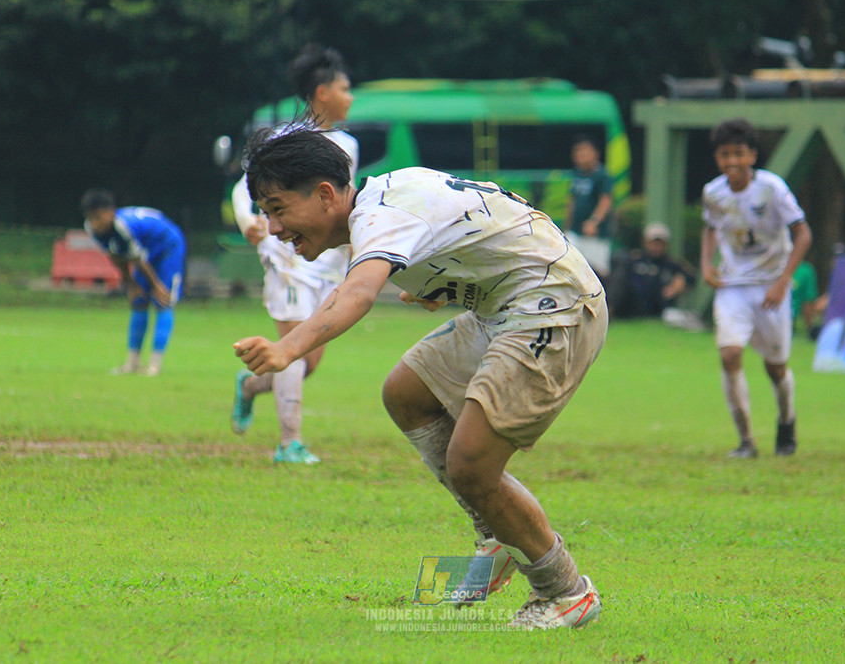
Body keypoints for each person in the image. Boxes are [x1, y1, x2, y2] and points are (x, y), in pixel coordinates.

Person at [233, 124, 606, 630]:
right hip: (505, 304)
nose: (275, 228)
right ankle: (496, 538)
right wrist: (437, 284)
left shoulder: (380, 215)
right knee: (406, 393)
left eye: (278, 209)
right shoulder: (384, 200)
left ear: (325, 194)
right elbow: (479, 227)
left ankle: (566, 592)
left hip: (552, 306)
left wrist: (286, 348)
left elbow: (356, 295)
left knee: (471, 463)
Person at [230, 44, 358, 465]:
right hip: (285, 252)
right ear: (323, 93)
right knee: (293, 348)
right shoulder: (288, 139)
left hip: (328, 259)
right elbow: (241, 186)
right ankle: (290, 444)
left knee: (307, 358)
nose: (350, 96)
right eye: (345, 87)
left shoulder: (348, 146)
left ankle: (250, 387)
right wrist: (247, 220)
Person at [700, 118, 812, 458]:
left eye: (738, 153)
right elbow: (709, 228)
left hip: (770, 286)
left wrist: (782, 281)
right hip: (733, 285)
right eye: (724, 155)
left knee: (775, 366)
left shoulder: (771, 188)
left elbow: (803, 234)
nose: (731, 161)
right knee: (730, 353)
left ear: (752, 155)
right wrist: (707, 263)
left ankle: (787, 420)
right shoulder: (713, 192)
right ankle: (746, 440)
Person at [81, 189, 185, 377]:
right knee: (138, 302)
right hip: (145, 254)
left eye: (98, 217)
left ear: (110, 212)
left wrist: (157, 285)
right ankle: (133, 362)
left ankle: (154, 364)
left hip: (168, 247)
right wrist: (131, 285)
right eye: (91, 218)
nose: (95, 223)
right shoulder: (91, 228)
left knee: (163, 301)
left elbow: (137, 258)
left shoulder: (123, 225)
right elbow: (115, 256)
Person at [607, 222, 697, 320]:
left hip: (657, 305)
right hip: (631, 304)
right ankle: (609, 310)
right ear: (645, 242)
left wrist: (679, 283)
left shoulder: (672, 264)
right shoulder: (634, 259)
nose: (656, 246)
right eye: (653, 242)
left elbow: (691, 276)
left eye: (660, 243)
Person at [564, 136, 614, 278]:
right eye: (578, 153)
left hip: (595, 234)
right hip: (576, 231)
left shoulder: (602, 175)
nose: (581, 156)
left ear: (595, 154)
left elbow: (605, 201)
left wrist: (594, 221)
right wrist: (567, 225)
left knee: (596, 272)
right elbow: (572, 201)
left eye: (585, 152)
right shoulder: (577, 174)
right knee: (569, 264)